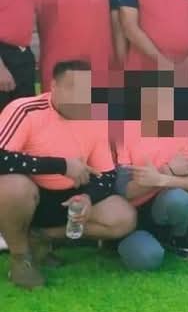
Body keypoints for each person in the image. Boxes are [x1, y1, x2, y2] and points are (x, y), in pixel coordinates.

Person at [0, 60, 136, 289]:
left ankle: (42, 236)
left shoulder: (96, 117)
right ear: (54, 86)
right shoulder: (24, 110)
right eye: (73, 88)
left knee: (123, 217)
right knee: (13, 187)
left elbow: (106, 175)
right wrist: (61, 166)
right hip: (29, 198)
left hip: (69, 198)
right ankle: (21, 257)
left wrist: (88, 198)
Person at [113, 83, 188, 269]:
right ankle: (125, 241)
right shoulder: (124, 133)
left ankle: (177, 237)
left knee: (179, 199)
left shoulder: (182, 132)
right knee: (148, 259)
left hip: (163, 206)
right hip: (132, 214)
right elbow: (125, 191)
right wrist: (166, 170)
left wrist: (163, 178)